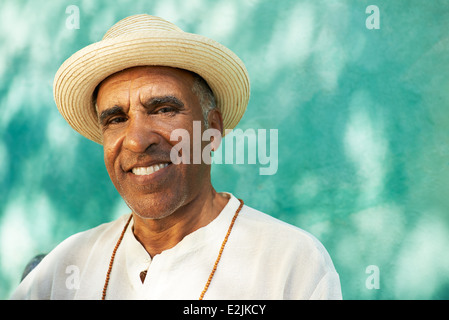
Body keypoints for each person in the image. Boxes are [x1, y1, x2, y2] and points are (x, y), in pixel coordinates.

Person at [11, 14, 342, 300]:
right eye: (116, 119)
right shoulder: (64, 268)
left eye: (164, 110)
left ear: (211, 131)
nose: (137, 141)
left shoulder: (290, 262)